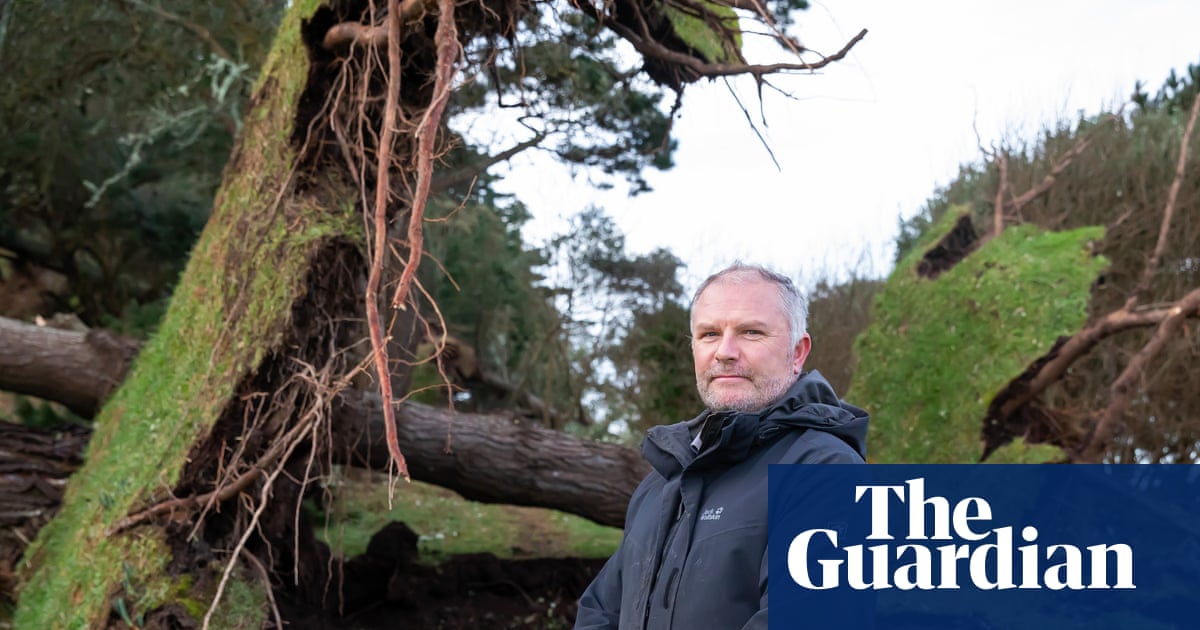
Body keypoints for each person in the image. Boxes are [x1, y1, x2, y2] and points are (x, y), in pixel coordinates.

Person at [574, 262, 869, 630]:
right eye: (710, 334)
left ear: (797, 352)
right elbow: (599, 611)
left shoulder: (823, 471)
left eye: (751, 332)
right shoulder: (661, 483)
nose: (725, 352)